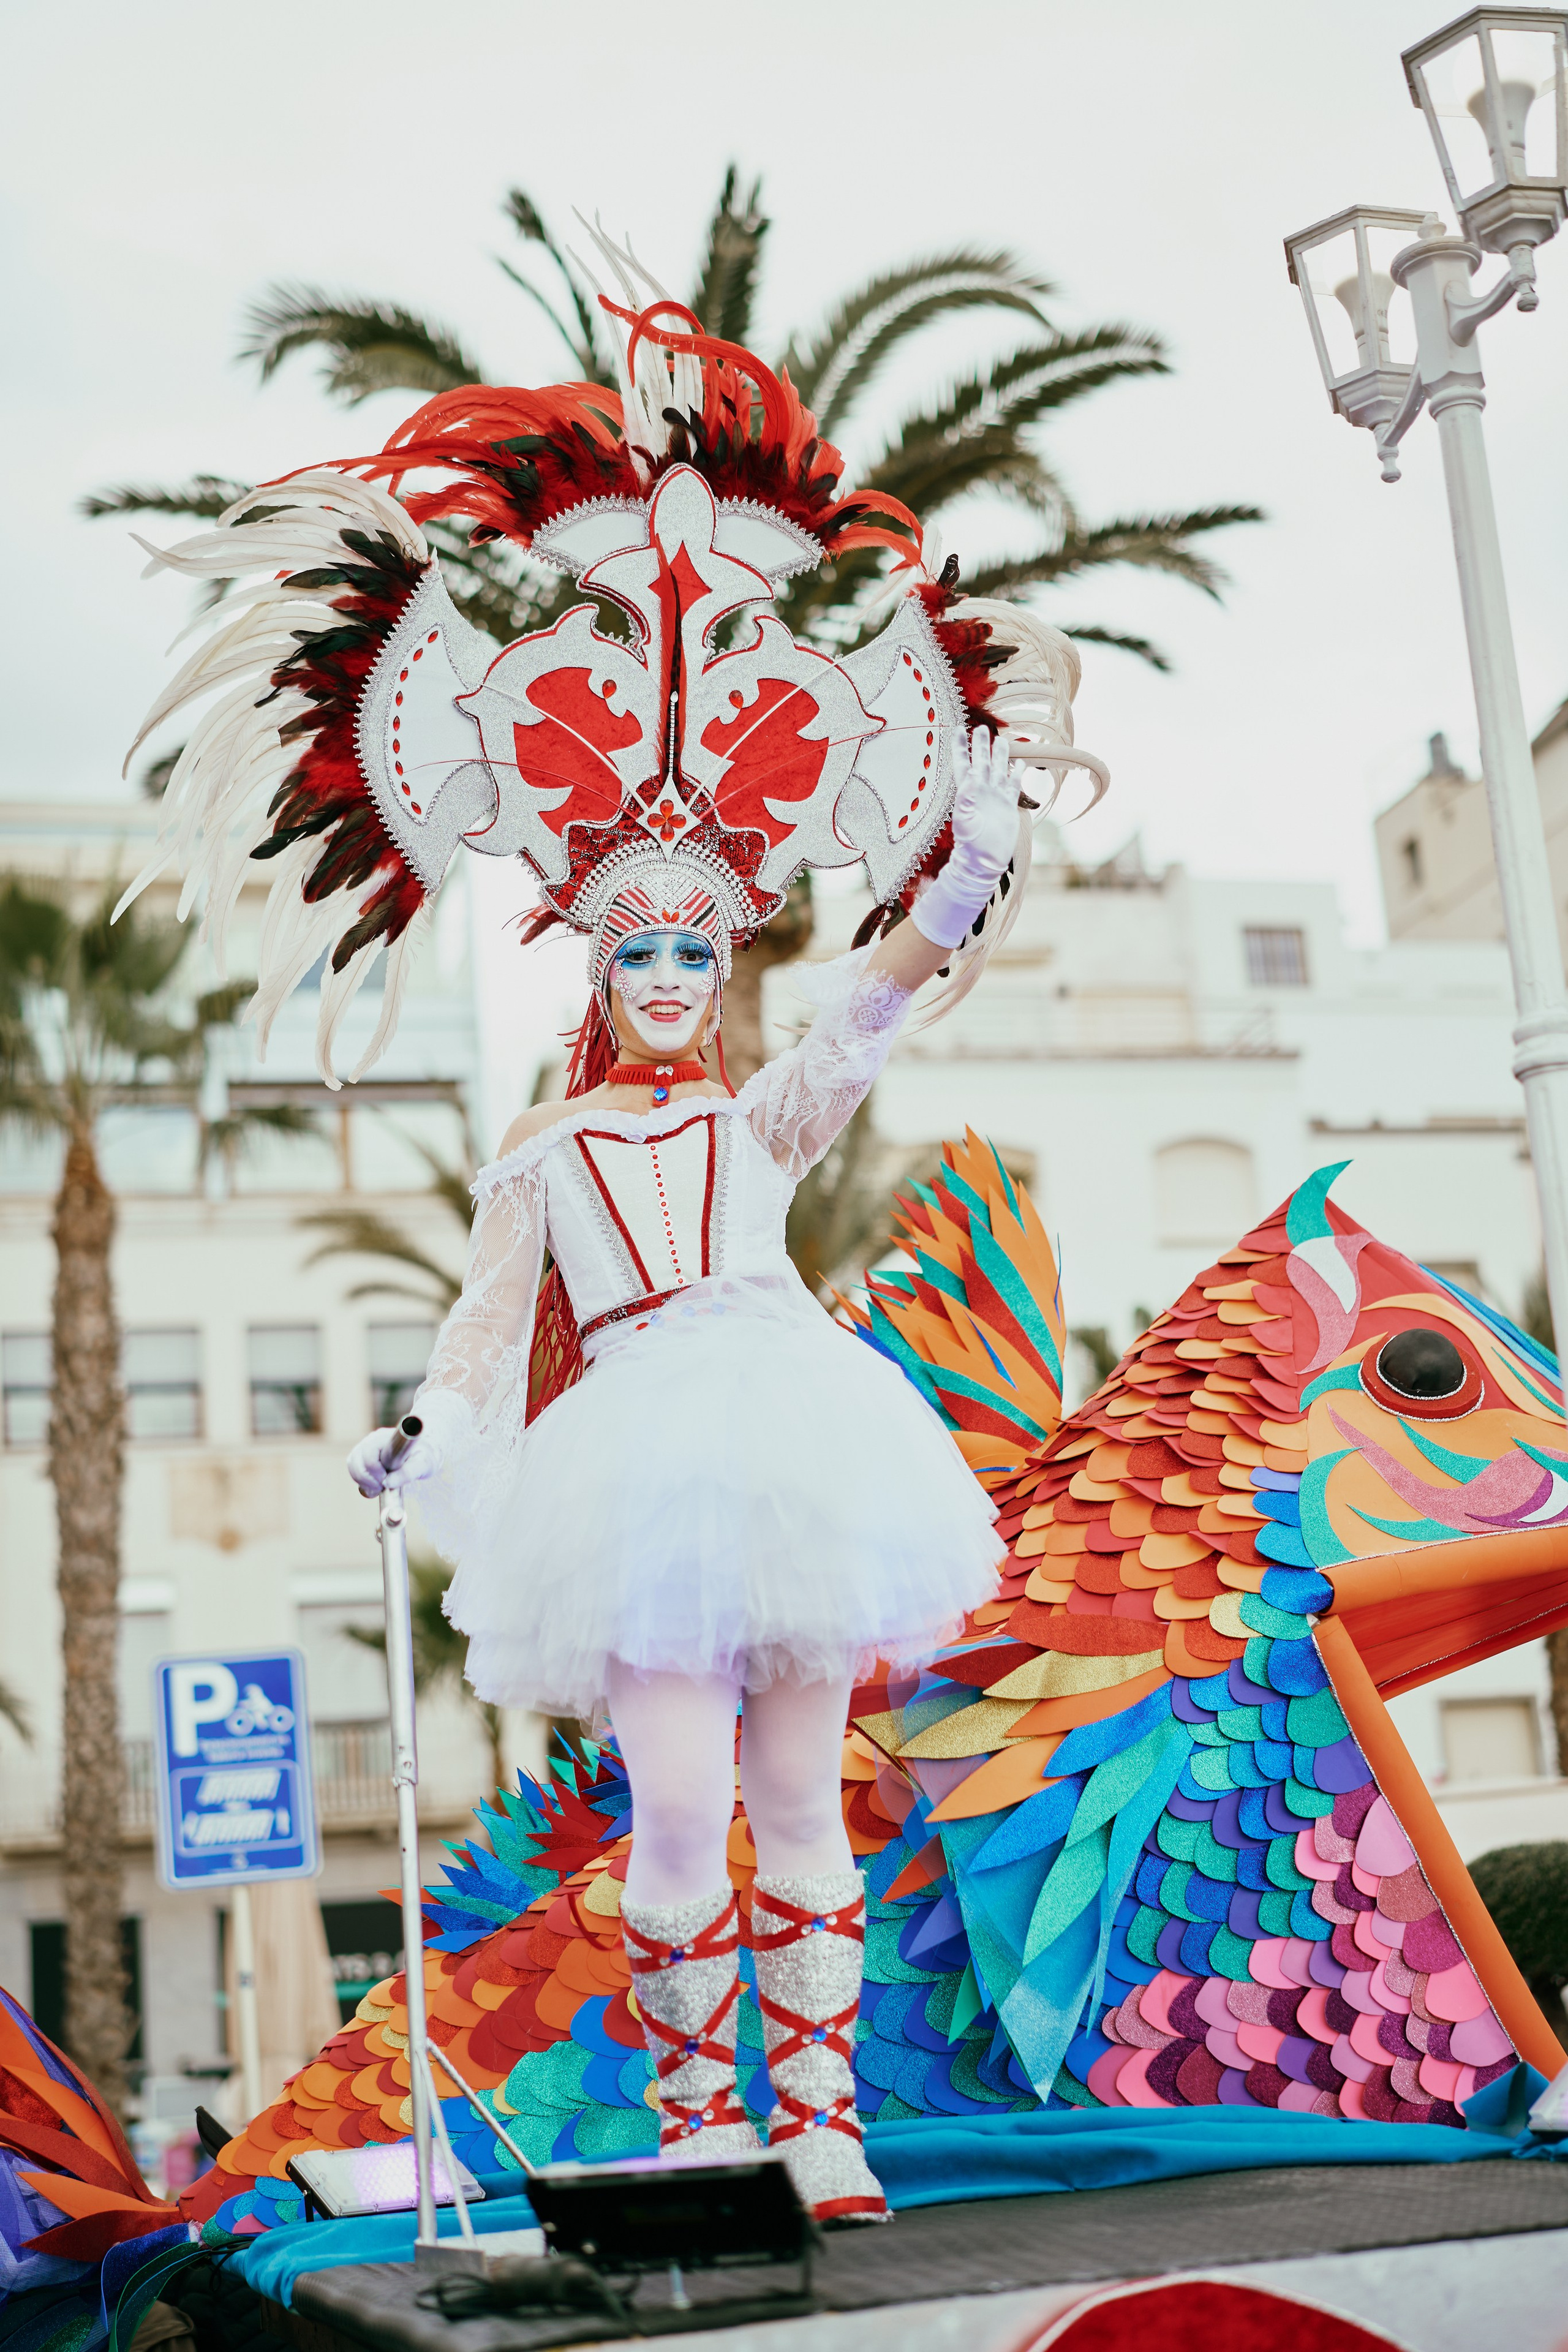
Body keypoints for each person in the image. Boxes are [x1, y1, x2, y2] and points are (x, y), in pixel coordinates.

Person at [121, 228, 1104, 2221]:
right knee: (671, 1810)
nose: (671, 969)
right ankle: (692, 2135)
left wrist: (974, 863)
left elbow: (882, 1000)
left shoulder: (765, 1109)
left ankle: (824, 2130)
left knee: (802, 1794)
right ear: (595, 954)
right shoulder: (546, 1157)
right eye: (638, 941)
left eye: (697, 942)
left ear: (725, 955)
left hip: (803, 1448)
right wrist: (430, 1431)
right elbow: (491, 1324)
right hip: (639, 1467)